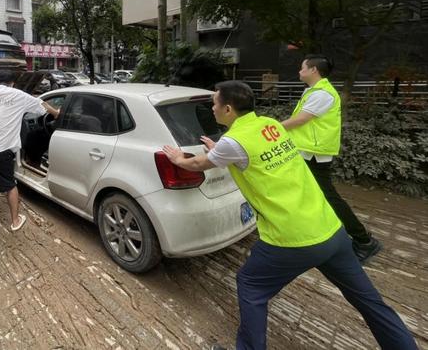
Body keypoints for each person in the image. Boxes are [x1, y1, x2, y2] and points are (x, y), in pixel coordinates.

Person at [162, 81, 417, 350]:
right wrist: (221, 148)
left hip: (292, 239)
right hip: (331, 231)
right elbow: (249, 153)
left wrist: (178, 158)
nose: (211, 108)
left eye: (214, 103)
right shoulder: (269, 125)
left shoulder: (234, 142)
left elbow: (198, 163)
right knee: (369, 301)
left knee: (250, 285)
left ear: (227, 109)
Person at [281, 54, 381, 263]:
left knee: (328, 196)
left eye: (302, 68)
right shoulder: (314, 91)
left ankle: (364, 240)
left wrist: (270, 128)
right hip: (307, 151)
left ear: (313, 70)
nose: (299, 72)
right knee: (312, 196)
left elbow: (301, 120)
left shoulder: (323, 94)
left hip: (315, 154)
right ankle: (320, 234)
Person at [0, 70, 59, 249]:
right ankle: (15, 221)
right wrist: (57, 113)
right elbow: (42, 105)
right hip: (2, 153)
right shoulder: (19, 95)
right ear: (13, 83)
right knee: (10, 186)